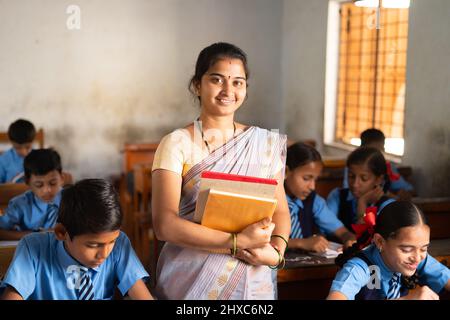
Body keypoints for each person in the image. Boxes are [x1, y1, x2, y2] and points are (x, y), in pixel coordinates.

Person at [151, 42, 290, 300]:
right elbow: (164, 225)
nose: (228, 90)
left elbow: (280, 210)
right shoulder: (176, 143)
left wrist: (276, 253)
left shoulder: (264, 143)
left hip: (254, 276)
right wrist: (236, 242)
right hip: (191, 278)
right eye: (217, 79)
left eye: (238, 82)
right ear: (197, 85)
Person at [0, 179, 153, 300]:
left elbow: (140, 293)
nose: (104, 254)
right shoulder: (32, 249)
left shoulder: (120, 244)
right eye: (93, 245)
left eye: (111, 242)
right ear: (61, 232)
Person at [327, 201, 450, 300]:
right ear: (380, 241)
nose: (417, 257)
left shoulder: (416, 257)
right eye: (406, 249)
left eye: (424, 248)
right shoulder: (361, 268)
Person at [285, 142, 355, 252]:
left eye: (315, 180)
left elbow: (343, 232)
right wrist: (300, 243)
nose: (312, 187)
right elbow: (257, 242)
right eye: (306, 178)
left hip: (300, 268)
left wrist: (349, 240)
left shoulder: (314, 202)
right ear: (286, 172)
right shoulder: (269, 201)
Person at [327, 146, 395, 232]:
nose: (355, 184)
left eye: (364, 178)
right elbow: (326, 227)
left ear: (378, 180)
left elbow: (365, 238)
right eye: (351, 176)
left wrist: (362, 203)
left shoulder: (386, 206)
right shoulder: (337, 195)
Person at [0, 149, 64, 240]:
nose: (47, 190)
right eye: (39, 185)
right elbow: (1, 232)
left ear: (62, 178)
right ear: (28, 182)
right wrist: (37, 235)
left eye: (53, 183)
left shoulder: (72, 201)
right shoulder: (19, 205)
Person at [343, 128, 414, 199]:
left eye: (380, 151)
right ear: (362, 150)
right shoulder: (353, 168)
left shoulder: (387, 166)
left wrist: (403, 192)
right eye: (372, 153)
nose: (376, 157)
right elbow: (351, 192)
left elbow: (408, 189)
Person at [0, 119, 36, 183]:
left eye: (28, 147)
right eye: (18, 148)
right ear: (11, 142)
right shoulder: (3, 160)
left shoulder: (39, 157)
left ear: (33, 141)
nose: (23, 152)